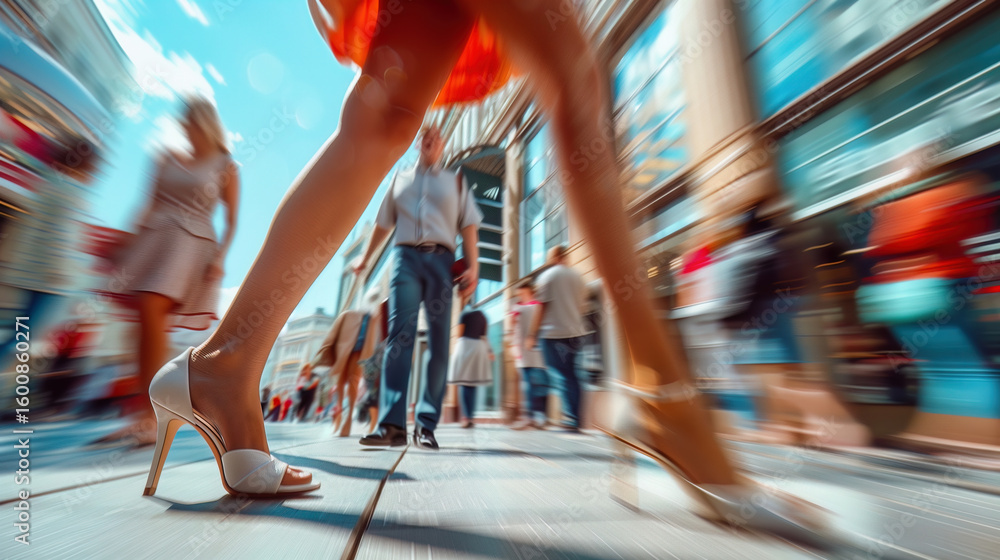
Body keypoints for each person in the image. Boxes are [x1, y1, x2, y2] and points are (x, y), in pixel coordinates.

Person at [143, 1, 834, 542]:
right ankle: (664, 398)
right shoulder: (420, 189)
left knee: (389, 113)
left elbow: (467, 216)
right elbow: (396, 222)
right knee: (570, 76)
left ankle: (224, 366)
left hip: (438, 261)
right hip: (418, 261)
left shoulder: (453, 184)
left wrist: (467, 252)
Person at [96, 97, 238, 447]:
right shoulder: (165, 158)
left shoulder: (226, 166)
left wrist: (220, 258)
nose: (184, 126)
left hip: (190, 245)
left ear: (204, 122)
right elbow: (147, 205)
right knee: (144, 325)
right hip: (154, 239)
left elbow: (232, 219)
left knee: (150, 311)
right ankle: (144, 414)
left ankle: (149, 415)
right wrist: (126, 242)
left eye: (189, 120)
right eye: (182, 121)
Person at [353, 124, 483, 450]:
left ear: (443, 145)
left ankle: (426, 424)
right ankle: (392, 426)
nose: (432, 138)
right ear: (417, 143)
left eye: (438, 135)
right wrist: (365, 260)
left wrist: (474, 265)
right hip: (405, 259)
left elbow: (468, 224)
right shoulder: (400, 180)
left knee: (439, 343)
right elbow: (383, 224)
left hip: (442, 262)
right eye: (426, 134)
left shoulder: (455, 181)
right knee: (400, 338)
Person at [526, 246, 587, 433]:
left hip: (554, 334)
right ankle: (576, 417)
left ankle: (570, 418)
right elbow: (581, 306)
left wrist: (532, 334)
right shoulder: (578, 277)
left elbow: (541, 308)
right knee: (573, 374)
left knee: (559, 373)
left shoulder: (548, 276)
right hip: (576, 332)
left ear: (554, 257)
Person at [507, 279, 549, 430]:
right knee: (526, 384)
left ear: (529, 291)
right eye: (518, 294)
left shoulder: (538, 305)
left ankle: (540, 417)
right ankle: (529, 417)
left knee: (539, 383)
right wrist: (512, 344)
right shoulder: (516, 307)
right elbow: (512, 327)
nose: (520, 296)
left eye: (522, 293)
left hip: (537, 350)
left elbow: (541, 325)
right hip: (521, 351)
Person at [448, 297, 494, 428]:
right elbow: (484, 336)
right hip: (479, 348)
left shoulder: (463, 314)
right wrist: (490, 351)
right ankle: (470, 417)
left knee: (463, 383)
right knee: (472, 385)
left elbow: (459, 334)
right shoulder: (482, 316)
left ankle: (466, 417)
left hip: (466, 347)